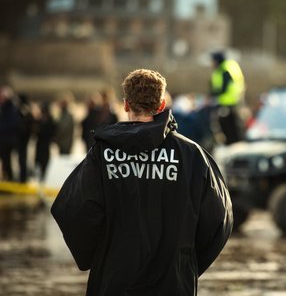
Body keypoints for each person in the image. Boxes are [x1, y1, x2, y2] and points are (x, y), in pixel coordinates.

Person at [51, 69, 233, 295]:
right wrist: (186, 261)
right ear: (161, 105)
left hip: (115, 281)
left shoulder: (102, 153)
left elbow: (72, 209)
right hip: (173, 283)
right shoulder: (193, 155)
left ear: (126, 105)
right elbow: (219, 219)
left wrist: (97, 254)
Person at [209, 51, 246, 145]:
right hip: (234, 101)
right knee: (234, 125)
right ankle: (236, 143)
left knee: (229, 126)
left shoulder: (224, 69)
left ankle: (232, 144)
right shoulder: (230, 66)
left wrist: (214, 95)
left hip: (227, 102)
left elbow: (224, 87)